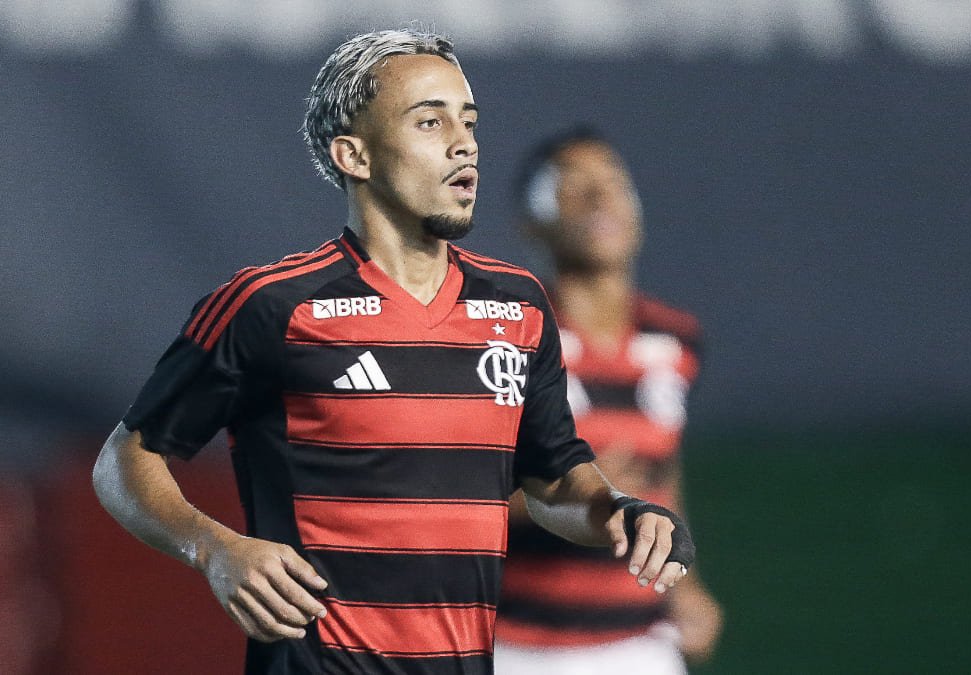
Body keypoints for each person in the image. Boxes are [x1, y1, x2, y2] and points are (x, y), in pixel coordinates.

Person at [92, 29, 694, 674]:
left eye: (468, 122)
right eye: (431, 121)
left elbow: (554, 480)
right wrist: (214, 550)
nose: (464, 143)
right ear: (354, 155)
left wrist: (619, 511)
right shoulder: (271, 304)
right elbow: (125, 459)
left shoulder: (518, 307)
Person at [494, 126, 724, 674]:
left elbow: (661, 474)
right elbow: (450, 498)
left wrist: (686, 584)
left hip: (637, 643)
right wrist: (578, 493)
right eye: (574, 185)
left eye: (614, 182)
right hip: (515, 643)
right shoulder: (505, 335)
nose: (601, 197)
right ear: (532, 221)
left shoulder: (675, 339)